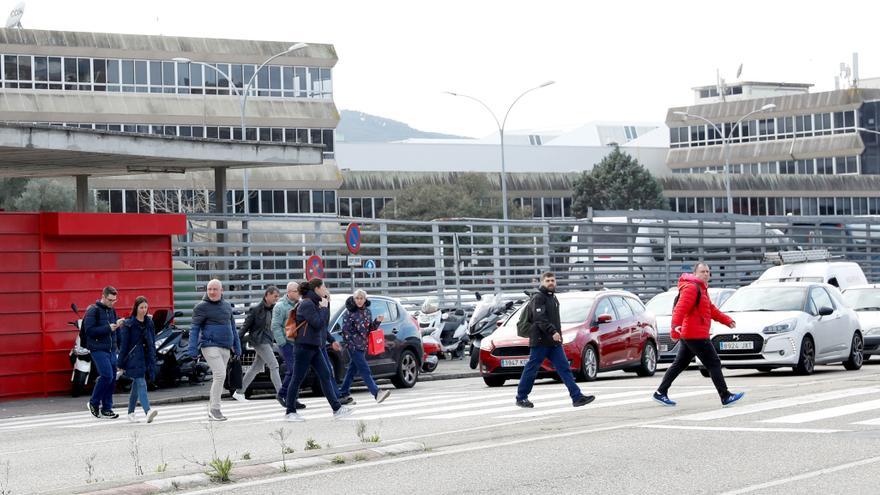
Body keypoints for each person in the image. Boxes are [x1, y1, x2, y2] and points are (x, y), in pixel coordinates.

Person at [653, 262, 745, 407]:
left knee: (680, 364)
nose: (706, 274)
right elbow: (679, 309)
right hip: (695, 334)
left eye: (708, 271)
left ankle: (660, 392)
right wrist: (674, 330)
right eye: (702, 271)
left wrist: (727, 320)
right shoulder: (692, 288)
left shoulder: (701, 289)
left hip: (691, 334)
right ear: (695, 274)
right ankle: (725, 396)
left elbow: (711, 309)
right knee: (714, 363)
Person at [515, 272, 595, 409]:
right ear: (542, 282)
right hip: (540, 340)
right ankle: (521, 397)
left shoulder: (552, 297)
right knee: (532, 368)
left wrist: (557, 335)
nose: (551, 283)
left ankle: (577, 397)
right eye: (548, 281)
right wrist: (553, 332)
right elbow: (540, 319)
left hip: (553, 342)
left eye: (553, 280)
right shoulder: (538, 298)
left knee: (564, 369)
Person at [284, 279, 352, 422]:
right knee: (297, 378)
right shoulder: (307, 304)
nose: (326, 289)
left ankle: (337, 408)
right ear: (317, 289)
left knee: (326, 375)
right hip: (303, 347)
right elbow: (318, 323)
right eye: (324, 287)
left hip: (314, 347)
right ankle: (290, 411)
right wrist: (325, 307)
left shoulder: (314, 303)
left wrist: (326, 306)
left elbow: (323, 326)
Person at [188, 279, 241, 421]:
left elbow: (233, 328)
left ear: (221, 291)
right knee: (220, 375)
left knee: (219, 377)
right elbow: (194, 329)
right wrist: (192, 349)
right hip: (209, 345)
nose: (211, 292)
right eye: (209, 289)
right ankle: (215, 409)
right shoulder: (201, 307)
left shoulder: (227, 306)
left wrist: (238, 347)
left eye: (215, 289)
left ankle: (213, 409)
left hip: (225, 347)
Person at [338, 290, 391, 404]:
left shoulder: (367, 312)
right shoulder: (349, 312)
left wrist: (377, 321)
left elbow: (370, 329)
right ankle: (376, 393)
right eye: (357, 298)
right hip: (353, 346)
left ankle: (342, 393)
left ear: (365, 299)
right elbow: (345, 331)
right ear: (354, 298)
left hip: (362, 345)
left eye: (361, 298)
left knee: (352, 370)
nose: (359, 300)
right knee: (365, 369)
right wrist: (350, 346)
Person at [233, 286, 282, 402]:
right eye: (275, 296)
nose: (277, 298)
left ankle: (239, 392)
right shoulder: (255, 310)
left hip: (268, 341)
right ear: (267, 295)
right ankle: (282, 394)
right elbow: (245, 327)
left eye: (278, 296)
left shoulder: (274, 309)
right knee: (274, 365)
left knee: (256, 367)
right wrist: (236, 341)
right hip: (259, 341)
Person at [84, 286, 124, 419]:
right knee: (107, 375)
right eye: (109, 300)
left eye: (114, 300)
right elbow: (89, 331)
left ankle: (107, 408)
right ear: (103, 296)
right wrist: (107, 328)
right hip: (98, 348)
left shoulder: (112, 310)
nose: (112, 303)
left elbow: (116, 330)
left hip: (111, 349)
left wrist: (120, 345)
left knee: (112, 378)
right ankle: (93, 402)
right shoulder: (93, 310)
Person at [118, 296, 159, 423]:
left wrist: (153, 357)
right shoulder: (129, 324)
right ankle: (148, 411)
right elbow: (124, 345)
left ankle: (130, 413)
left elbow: (152, 341)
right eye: (141, 307)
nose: (144, 310)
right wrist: (120, 363)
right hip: (133, 358)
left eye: (146, 307)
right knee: (141, 382)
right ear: (136, 308)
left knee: (136, 386)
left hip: (145, 357)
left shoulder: (149, 323)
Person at [272, 282, 306, 410]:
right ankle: (282, 394)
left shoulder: (301, 304)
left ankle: (293, 398)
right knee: (293, 370)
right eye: (296, 291)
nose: (299, 293)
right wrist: (282, 343)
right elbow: (275, 326)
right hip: (286, 343)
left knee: (298, 371)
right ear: (290, 292)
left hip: (298, 343)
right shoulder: (280, 306)